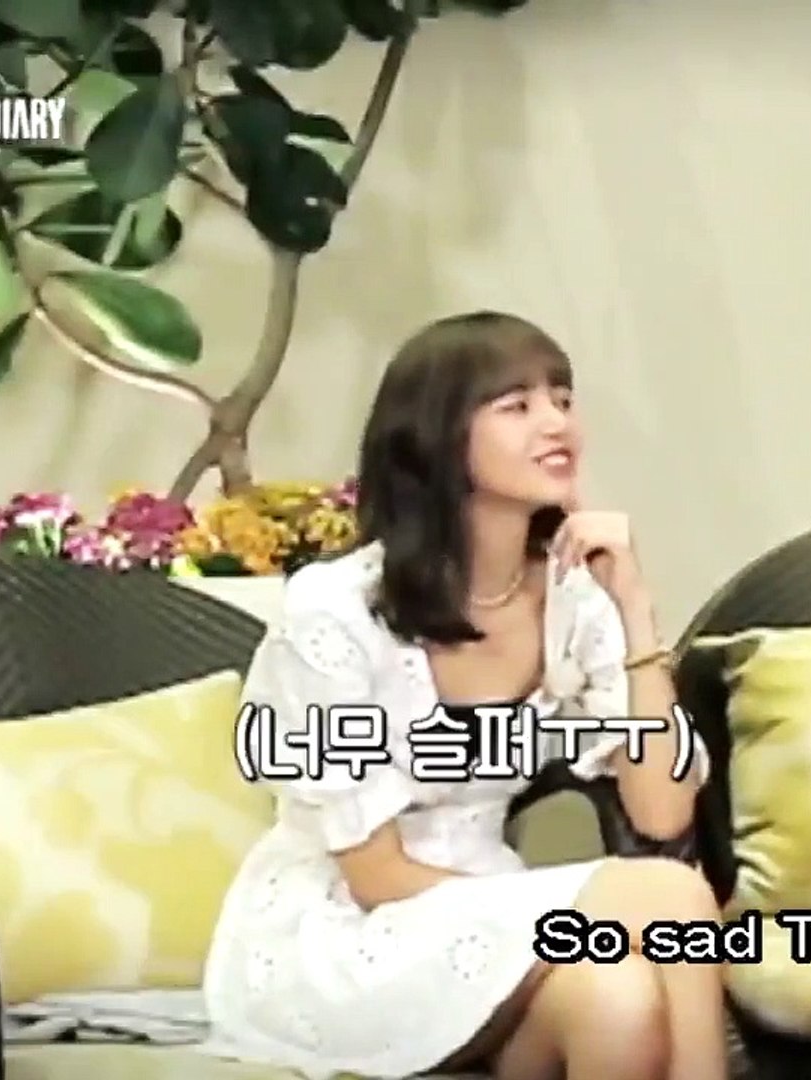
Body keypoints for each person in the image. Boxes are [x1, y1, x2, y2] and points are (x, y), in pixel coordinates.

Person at [200, 311, 725, 1080]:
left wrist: (635, 610)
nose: (557, 423)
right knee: (669, 897)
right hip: (349, 933)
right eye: (517, 405)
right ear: (439, 438)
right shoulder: (335, 610)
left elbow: (662, 811)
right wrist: (560, 913)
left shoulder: (575, 598)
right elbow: (374, 876)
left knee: (618, 1000)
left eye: (562, 398)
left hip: (488, 910)